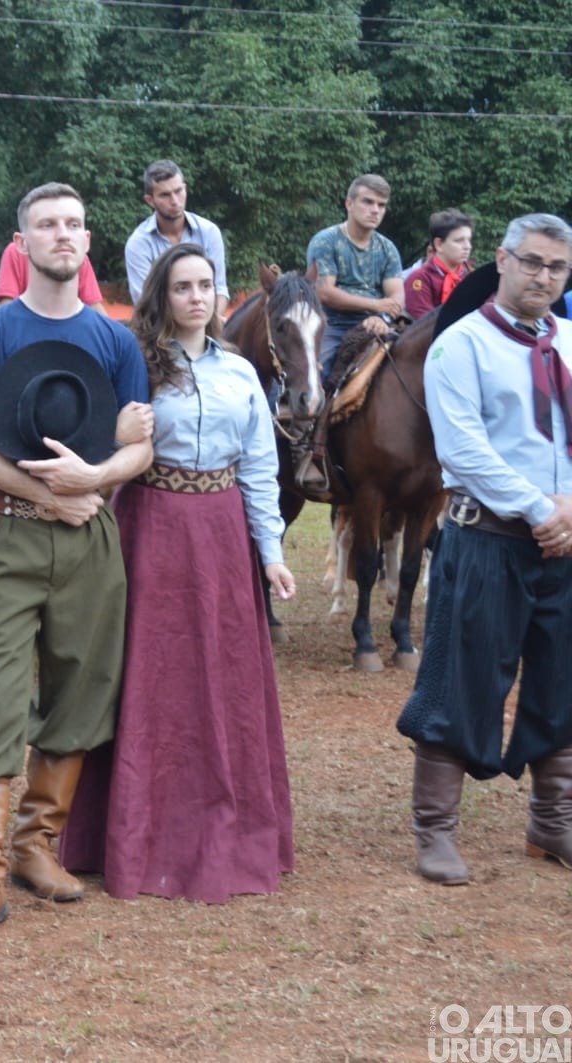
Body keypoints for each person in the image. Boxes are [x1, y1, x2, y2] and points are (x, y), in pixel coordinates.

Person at [0, 183, 154, 943]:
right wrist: (46, 493)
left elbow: (140, 442)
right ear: (21, 242)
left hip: (90, 537)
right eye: (47, 225)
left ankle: (35, 844)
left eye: (73, 224)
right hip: (8, 532)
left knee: (82, 690)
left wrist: (94, 480)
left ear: (87, 240)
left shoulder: (115, 340)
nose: (62, 235)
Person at [57, 244, 298, 903]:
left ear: (219, 295)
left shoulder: (243, 373)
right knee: (142, 674)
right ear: (162, 295)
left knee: (224, 680)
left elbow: (258, 467)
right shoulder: (133, 364)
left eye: (205, 285)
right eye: (183, 286)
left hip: (221, 535)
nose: (196, 296)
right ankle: (120, 835)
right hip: (149, 526)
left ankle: (228, 827)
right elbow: (95, 446)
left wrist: (270, 551)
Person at [397, 212, 572, 887]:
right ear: (501, 259)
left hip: (563, 546)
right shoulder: (460, 344)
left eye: (556, 267)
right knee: (459, 679)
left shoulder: (571, 341)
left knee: (562, 679)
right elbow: (463, 447)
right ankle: (434, 829)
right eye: (531, 262)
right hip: (487, 540)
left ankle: (552, 821)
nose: (543, 277)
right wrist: (537, 509)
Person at [306, 174, 404, 381]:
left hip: (378, 324)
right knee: (316, 375)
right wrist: (376, 305)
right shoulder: (326, 241)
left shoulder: (387, 248)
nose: (375, 210)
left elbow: (397, 296)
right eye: (368, 202)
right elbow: (325, 292)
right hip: (331, 325)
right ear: (349, 204)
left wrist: (382, 317)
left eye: (381, 205)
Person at [123, 160, 230, 317]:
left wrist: (208, 330)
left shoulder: (209, 232)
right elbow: (146, 304)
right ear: (150, 200)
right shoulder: (138, 244)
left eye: (178, 191)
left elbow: (220, 289)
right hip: (160, 333)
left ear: (185, 189)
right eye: (165, 195)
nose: (175, 201)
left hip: (207, 326)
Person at [0, 237, 105, 311]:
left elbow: (93, 304)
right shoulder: (16, 251)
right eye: (48, 224)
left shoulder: (77, 256)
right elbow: (6, 304)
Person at [403, 209, 474, 320]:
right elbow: (425, 323)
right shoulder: (420, 278)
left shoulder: (471, 277)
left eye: (469, 240)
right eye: (459, 240)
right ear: (439, 244)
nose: (467, 246)